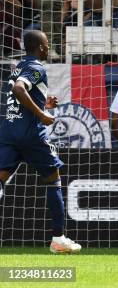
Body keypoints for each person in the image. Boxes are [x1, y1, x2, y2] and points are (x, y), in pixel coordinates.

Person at [0, 30, 81, 253]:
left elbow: (18, 95)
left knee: (1, 179)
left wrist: (43, 104)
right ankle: (58, 239)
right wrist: (43, 115)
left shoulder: (18, 67)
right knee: (53, 178)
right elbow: (19, 90)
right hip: (31, 134)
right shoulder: (36, 67)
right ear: (42, 47)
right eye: (46, 45)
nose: (47, 48)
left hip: (8, 132)